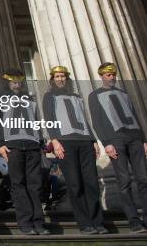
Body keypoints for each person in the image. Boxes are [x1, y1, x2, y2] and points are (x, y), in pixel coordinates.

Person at [88, 62, 147, 233]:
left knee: (144, 180)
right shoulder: (94, 95)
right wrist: (106, 143)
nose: (111, 77)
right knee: (124, 181)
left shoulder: (123, 93)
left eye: (113, 74)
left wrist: (143, 139)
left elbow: (134, 116)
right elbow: (97, 122)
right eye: (108, 75)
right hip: (115, 140)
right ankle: (134, 221)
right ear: (101, 76)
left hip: (134, 138)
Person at [42, 66, 107, 235]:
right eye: (57, 76)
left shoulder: (76, 96)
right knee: (75, 184)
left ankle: (98, 222)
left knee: (91, 183)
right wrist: (55, 141)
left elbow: (84, 119)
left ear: (67, 79)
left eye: (63, 76)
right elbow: (49, 119)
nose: (60, 79)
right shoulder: (49, 96)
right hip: (65, 142)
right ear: (52, 79)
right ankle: (85, 223)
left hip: (84, 141)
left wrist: (93, 140)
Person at [0, 69, 50, 235]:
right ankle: (25, 222)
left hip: (32, 145)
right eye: (13, 82)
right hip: (13, 146)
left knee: (35, 185)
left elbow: (36, 121)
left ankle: (38, 222)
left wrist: (40, 142)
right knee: (18, 185)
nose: (16, 84)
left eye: (18, 81)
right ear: (7, 83)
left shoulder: (29, 98)